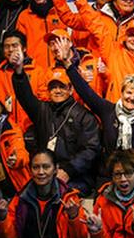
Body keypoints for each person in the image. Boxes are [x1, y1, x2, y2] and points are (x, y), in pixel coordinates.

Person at [53, 35, 134, 188]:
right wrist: (67, 64)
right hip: (107, 179)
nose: (132, 97)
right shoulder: (108, 111)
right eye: (128, 93)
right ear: (122, 94)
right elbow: (85, 92)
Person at [12, 59, 101, 196]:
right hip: (45, 173)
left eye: (62, 87)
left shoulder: (85, 116)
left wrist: (68, 170)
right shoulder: (42, 110)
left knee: (58, 194)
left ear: (71, 89)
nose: (57, 91)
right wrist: (19, 73)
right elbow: (25, 98)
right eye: (53, 87)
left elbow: (91, 149)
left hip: (77, 176)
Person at [49, 0, 119, 56]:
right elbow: (69, 18)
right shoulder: (87, 15)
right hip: (89, 62)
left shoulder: (121, 18)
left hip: (113, 61)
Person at [15, 0, 68, 69]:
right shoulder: (24, 16)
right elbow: (19, 44)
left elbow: (66, 39)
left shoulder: (59, 13)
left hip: (59, 67)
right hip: (35, 68)